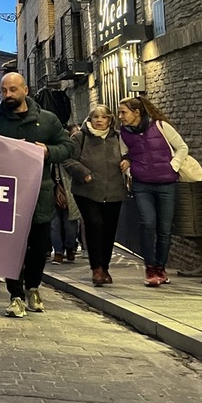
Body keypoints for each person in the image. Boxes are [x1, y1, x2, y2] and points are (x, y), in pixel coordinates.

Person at [0, 73, 75, 318]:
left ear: (26, 89)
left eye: (13, 90)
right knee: (12, 248)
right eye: (4, 90)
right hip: (5, 196)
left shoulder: (47, 120)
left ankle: (33, 286)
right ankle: (16, 295)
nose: (8, 95)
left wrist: (47, 151)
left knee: (39, 246)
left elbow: (68, 146)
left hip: (38, 194)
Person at [117, 95, 188, 287]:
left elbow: (182, 147)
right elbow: (126, 154)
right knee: (148, 223)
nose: (120, 116)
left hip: (167, 184)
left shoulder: (161, 126)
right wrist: (130, 169)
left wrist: (173, 166)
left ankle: (160, 268)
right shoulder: (124, 133)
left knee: (164, 229)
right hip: (143, 185)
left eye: (123, 112)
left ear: (136, 112)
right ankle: (149, 267)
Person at [64, 105, 126, 287]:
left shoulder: (118, 138)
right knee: (94, 225)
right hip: (87, 191)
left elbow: (130, 154)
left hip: (114, 191)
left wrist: (127, 161)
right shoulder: (80, 138)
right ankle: (96, 268)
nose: (99, 120)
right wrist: (83, 172)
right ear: (89, 120)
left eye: (103, 117)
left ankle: (105, 266)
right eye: (95, 117)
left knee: (109, 230)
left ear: (110, 120)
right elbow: (68, 160)